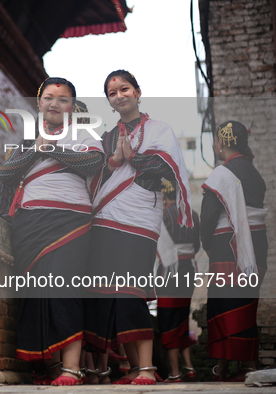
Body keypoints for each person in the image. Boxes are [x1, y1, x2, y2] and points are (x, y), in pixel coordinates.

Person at [83, 70, 193, 386]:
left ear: (138, 92)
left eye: (124, 89)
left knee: (130, 290)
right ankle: (132, 367)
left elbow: (166, 174)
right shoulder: (105, 137)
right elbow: (97, 176)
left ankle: (147, 368)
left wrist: (135, 158)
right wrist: (115, 161)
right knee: (110, 295)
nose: (119, 95)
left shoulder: (160, 130)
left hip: (139, 219)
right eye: (112, 92)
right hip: (105, 218)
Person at [0, 77, 105, 386]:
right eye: (49, 98)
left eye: (63, 99)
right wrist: (35, 151)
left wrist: (54, 150)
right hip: (29, 223)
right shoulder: (28, 140)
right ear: (39, 103)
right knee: (34, 293)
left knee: (64, 287)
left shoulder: (82, 133)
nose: (55, 104)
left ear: (72, 106)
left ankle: (72, 369)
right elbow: (5, 172)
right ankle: (50, 367)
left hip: (70, 220)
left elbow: (92, 162)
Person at [201, 121, 267, 382]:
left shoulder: (222, 174)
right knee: (246, 303)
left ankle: (223, 367)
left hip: (227, 244)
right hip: (257, 244)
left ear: (221, 143)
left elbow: (208, 218)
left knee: (224, 303)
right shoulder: (254, 173)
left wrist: (207, 244)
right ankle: (250, 363)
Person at [155, 180, 199, 382]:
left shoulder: (163, 215)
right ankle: (189, 367)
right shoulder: (193, 215)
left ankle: (175, 373)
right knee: (182, 318)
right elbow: (196, 246)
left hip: (170, 272)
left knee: (168, 321)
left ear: (164, 196)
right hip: (189, 270)